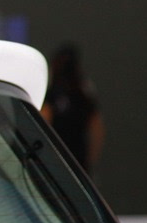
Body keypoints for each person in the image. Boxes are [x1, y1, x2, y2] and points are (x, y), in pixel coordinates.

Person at [41, 43, 104, 176]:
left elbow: (43, 123)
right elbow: (96, 128)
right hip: (75, 162)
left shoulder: (60, 93)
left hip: (58, 160)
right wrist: (90, 160)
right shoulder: (84, 94)